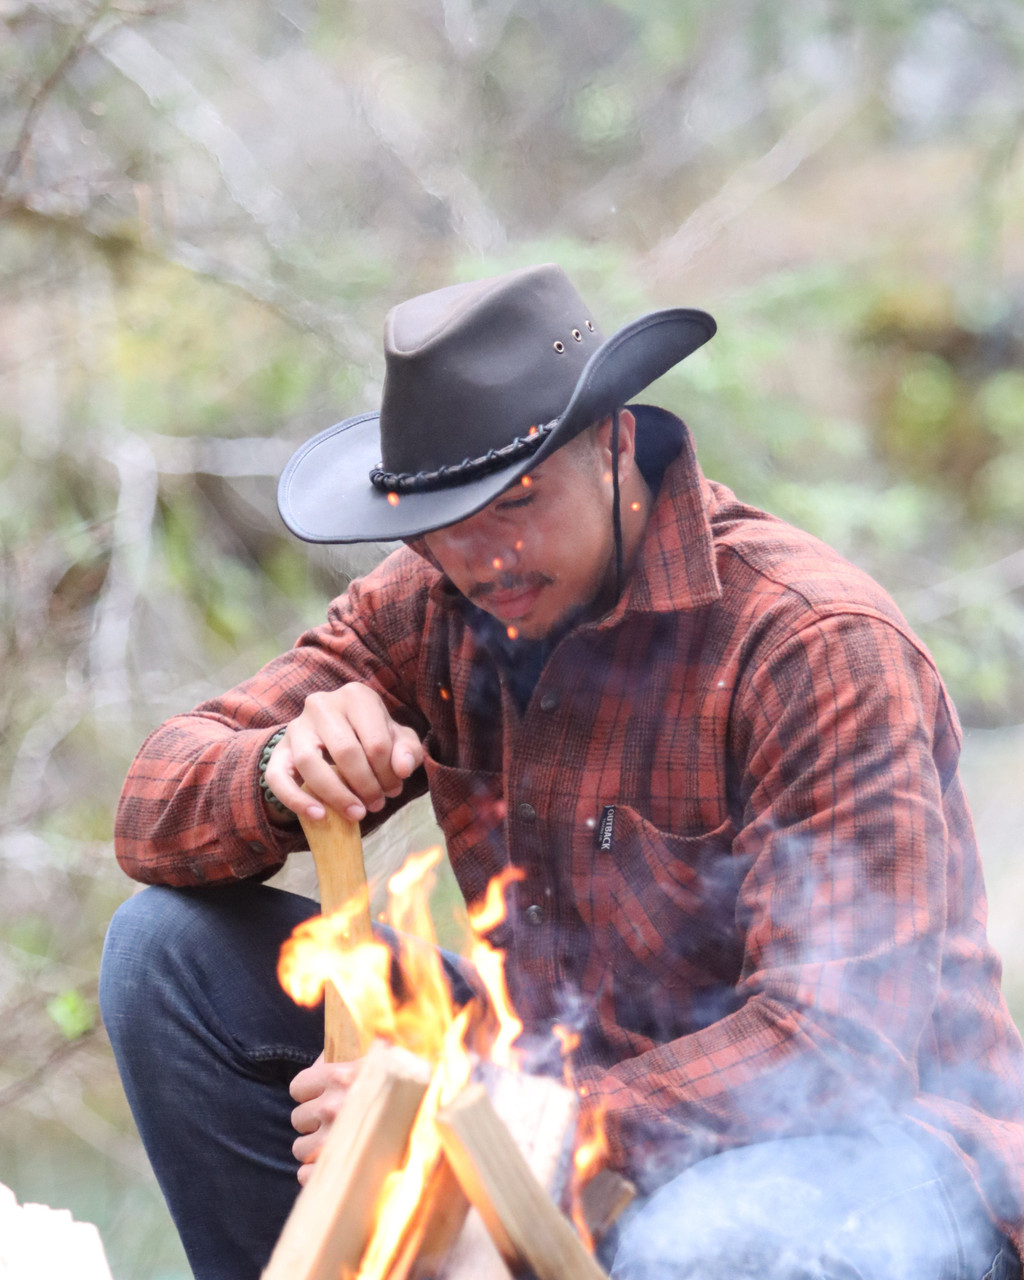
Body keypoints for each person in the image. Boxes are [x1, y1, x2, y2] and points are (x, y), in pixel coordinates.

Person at [100, 263, 1024, 1280]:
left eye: (519, 499)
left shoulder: (811, 643)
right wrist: (282, 765)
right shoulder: (433, 599)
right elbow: (152, 808)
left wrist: (507, 1116)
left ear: (615, 442)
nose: (482, 554)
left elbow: (841, 1044)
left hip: (888, 1149)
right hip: (539, 1087)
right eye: (443, 516)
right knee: (167, 953)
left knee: (686, 1242)